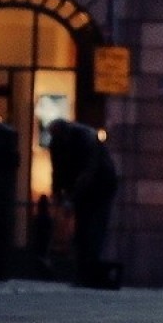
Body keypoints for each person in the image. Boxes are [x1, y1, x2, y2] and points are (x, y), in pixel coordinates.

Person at [45, 118, 121, 287]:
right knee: (81, 229)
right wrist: (57, 193)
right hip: (84, 188)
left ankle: (90, 269)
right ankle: (82, 270)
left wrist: (71, 198)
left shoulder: (85, 138)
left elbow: (89, 171)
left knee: (94, 227)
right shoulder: (56, 143)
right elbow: (56, 170)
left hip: (101, 186)